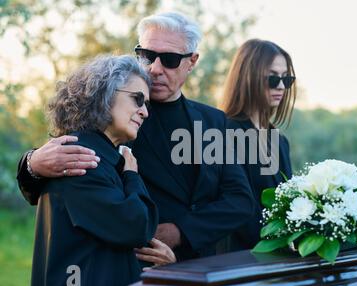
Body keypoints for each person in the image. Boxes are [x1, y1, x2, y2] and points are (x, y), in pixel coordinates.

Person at [17, 12, 254, 261]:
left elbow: (239, 200)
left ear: (192, 61)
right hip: (130, 265)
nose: (155, 68)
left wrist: (180, 232)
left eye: (170, 59)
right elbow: (69, 171)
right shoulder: (112, 114)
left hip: (198, 263)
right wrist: (32, 164)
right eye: (147, 56)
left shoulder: (213, 121)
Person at [30, 55, 176, 286]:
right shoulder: (82, 157)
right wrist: (132, 175)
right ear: (103, 95)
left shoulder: (100, 154)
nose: (145, 112)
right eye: (137, 99)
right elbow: (135, 227)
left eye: (147, 104)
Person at [220, 39, 296, 250]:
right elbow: (232, 208)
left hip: (277, 259)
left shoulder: (280, 141)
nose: (281, 86)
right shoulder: (224, 133)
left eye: (286, 79)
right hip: (237, 260)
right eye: (272, 78)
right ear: (248, 78)